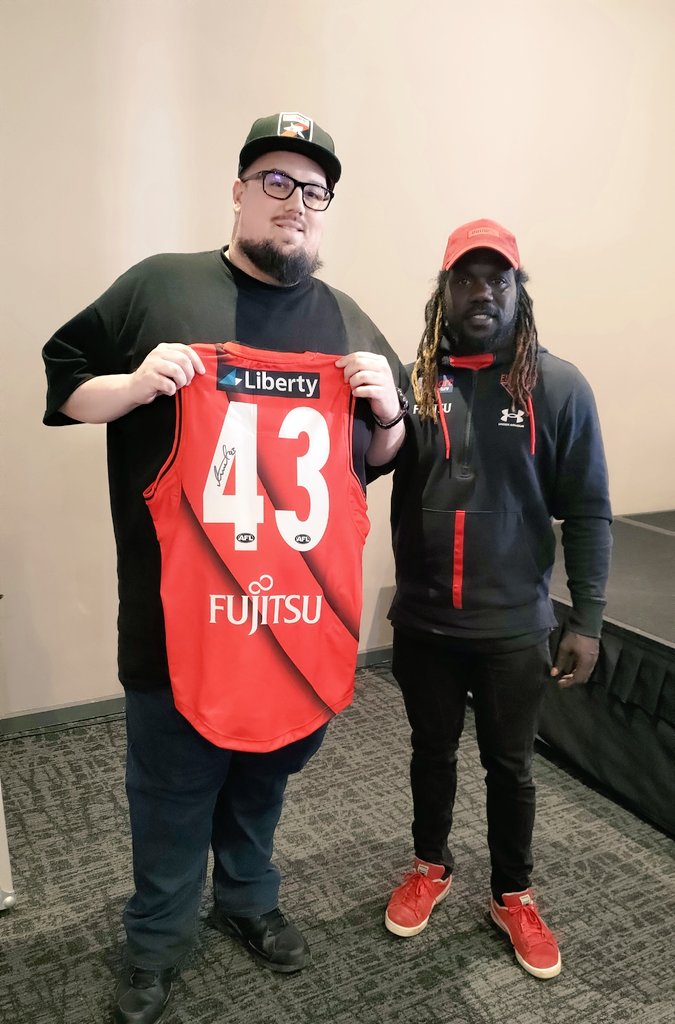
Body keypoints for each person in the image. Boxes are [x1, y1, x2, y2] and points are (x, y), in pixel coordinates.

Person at [42, 111, 407, 1024]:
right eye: (275, 181)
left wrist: (390, 412)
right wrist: (133, 387)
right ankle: (156, 941)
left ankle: (247, 899)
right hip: (178, 620)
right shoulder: (158, 287)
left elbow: (378, 458)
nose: (294, 202)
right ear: (239, 192)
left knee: (261, 783)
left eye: (313, 190)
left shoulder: (348, 324)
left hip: (292, 623)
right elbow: (66, 377)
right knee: (170, 794)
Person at [383, 219, 612, 979]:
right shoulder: (412, 384)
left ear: (518, 290)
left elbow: (588, 511)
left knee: (510, 768)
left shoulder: (559, 386)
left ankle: (512, 893)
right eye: (465, 278)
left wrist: (586, 619)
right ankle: (430, 864)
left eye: (497, 278)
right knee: (430, 752)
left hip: (514, 625)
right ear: (444, 291)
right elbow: (356, 468)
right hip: (425, 621)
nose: (481, 291)